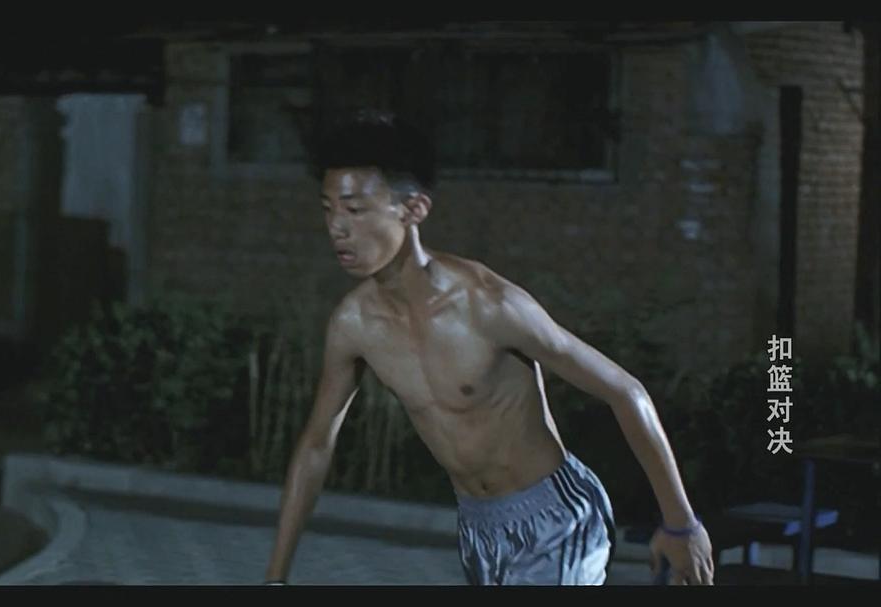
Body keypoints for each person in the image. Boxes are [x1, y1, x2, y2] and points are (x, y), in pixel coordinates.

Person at [264, 111, 714, 585]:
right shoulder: (353, 325)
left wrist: (681, 524)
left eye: (355, 210)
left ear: (414, 209)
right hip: (478, 528)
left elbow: (626, 391)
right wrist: (275, 578)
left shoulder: (489, 305)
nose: (337, 227)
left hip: (556, 518)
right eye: (328, 209)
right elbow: (316, 445)